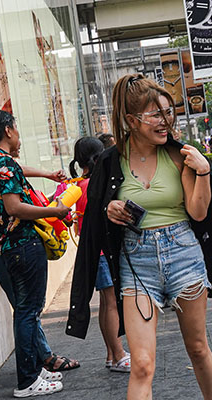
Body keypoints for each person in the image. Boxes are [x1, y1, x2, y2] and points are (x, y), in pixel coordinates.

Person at [67, 74, 212, 400]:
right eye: (155, 114)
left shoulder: (179, 155)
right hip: (136, 264)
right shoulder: (110, 161)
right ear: (130, 119)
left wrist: (203, 170)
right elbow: (99, 210)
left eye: (169, 111)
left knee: (197, 347)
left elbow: (198, 213)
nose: (166, 120)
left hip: (182, 255)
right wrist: (109, 206)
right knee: (141, 364)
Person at [0, 110, 72, 397]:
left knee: (26, 310)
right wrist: (55, 210)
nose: (17, 133)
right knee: (28, 311)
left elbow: (16, 174)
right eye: (15, 128)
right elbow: (14, 207)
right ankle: (28, 380)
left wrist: (45, 174)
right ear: (7, 130)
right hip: (20, 244)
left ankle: (33, 370)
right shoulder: (4, 165)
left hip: (9, 246)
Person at [69, 136, 130, 372]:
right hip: (104, 251)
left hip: (95, 252)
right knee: (112, 303)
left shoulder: (79, 186)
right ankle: (119, 353)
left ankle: (111, 354)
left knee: (106, 303)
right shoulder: (95, 184)